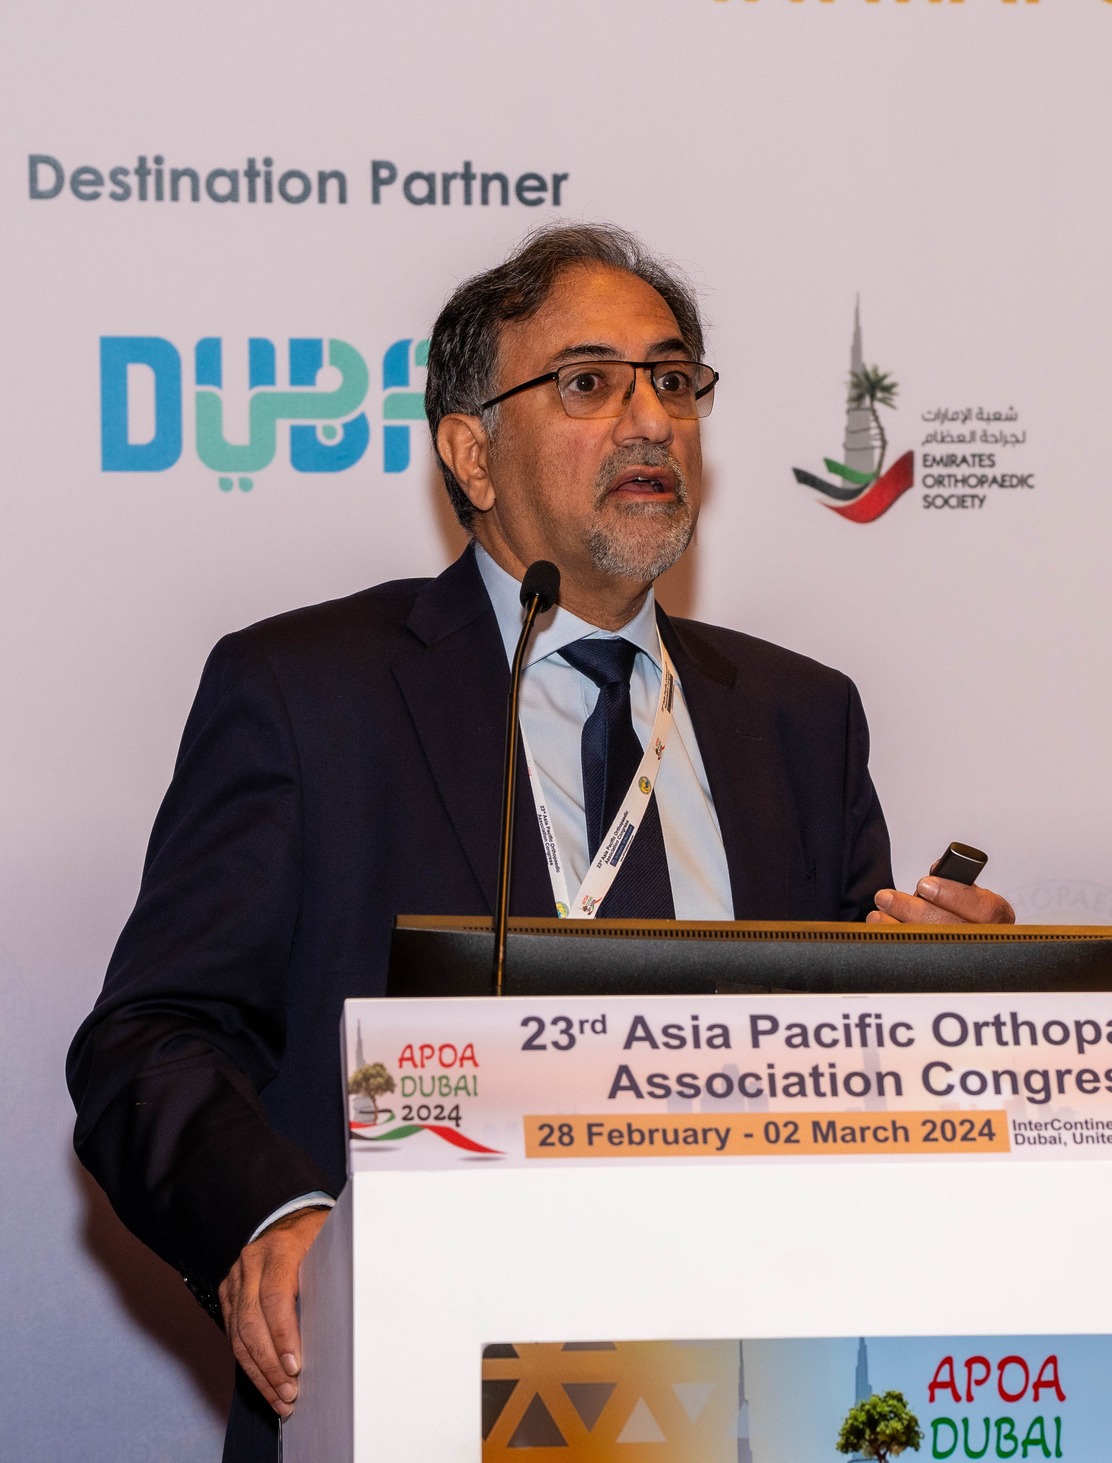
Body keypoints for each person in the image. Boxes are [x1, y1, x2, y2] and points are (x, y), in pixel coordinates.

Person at [66, 223, 1013, 1462]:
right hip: (422, 1382)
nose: (650, 419)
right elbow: (150, 1037)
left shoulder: (797, 716)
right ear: (471, 452)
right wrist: (277, 1215)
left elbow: (840, 1068)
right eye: (588, 382)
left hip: (750, 1392)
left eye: (672, 380)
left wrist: (959, 996)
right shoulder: (309, 692)